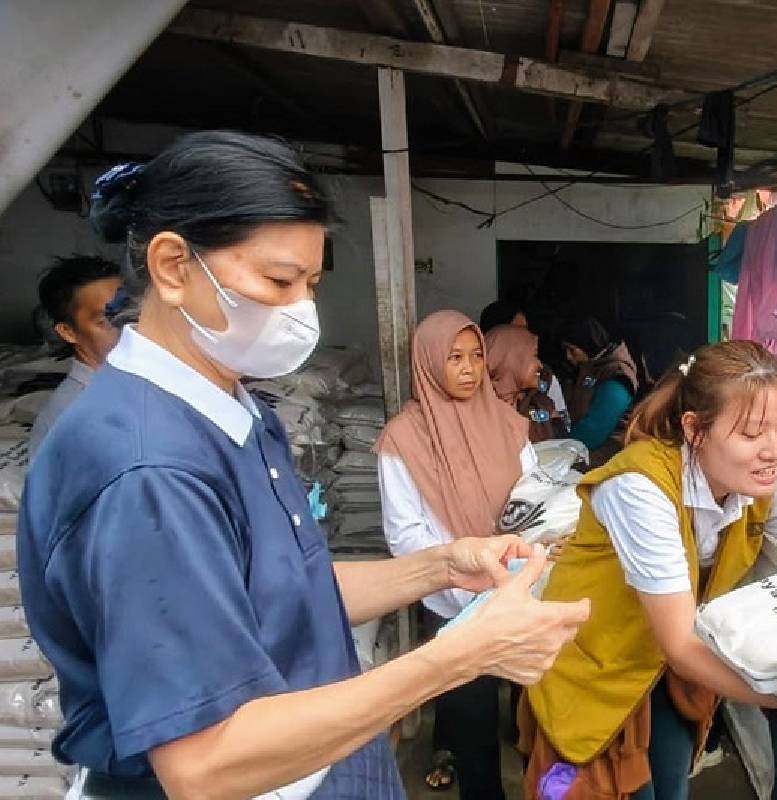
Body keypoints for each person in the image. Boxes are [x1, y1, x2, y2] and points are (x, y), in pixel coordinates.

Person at [17, 131, 588, 800]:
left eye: (311, 284)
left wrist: (442, 565)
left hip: (323, 764)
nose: (301, 311)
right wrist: (459, 657)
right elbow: (204, 766)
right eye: (279, 281)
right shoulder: (146, 472)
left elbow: (283, 591)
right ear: (172, 267)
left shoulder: (235, 410)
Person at [520, 340, 777, 800]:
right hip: (595, 671)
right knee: (606, 786)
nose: (773, 450)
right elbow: (680, 644)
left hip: (666, 673)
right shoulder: (639, 488)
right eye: (751, 433)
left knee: (673, 786)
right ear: (695, 428)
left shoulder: (770, 478)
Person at [377, 310, 541, 799]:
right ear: (428, 363)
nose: (469, 369)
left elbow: (534, 498)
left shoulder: (508, 424)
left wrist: (516, 564)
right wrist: (466, 572)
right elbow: (404, 533)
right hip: (453, 602)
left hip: (520, 588)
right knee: (472, 720)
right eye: (454, 358)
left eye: (475, 356)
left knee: (536, 710)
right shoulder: (402, 439)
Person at [28, 255, 121, 455]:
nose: (128, 327)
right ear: (68, 332)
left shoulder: (134, 383)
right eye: (105, 321)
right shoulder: (78, 415)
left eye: (131, 312)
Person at [561, 317, 639, 464]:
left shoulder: (617, 375)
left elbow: (595, 429)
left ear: (588, 345)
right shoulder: (589, 368)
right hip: (580, 448)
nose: (568, 356)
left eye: (572, 350)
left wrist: (559, 447)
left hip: (606, 454)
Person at [481, 299, 569, 423]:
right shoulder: (471, 393)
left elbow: (563, 425)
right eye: (516, 331)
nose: (525, 337)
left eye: (526, 329)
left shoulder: (544, 381)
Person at [486, 324, 566, 443]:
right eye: (534, 355)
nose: (540, 365)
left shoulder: (541, 403)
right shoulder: (480, 412)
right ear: (512, 361)